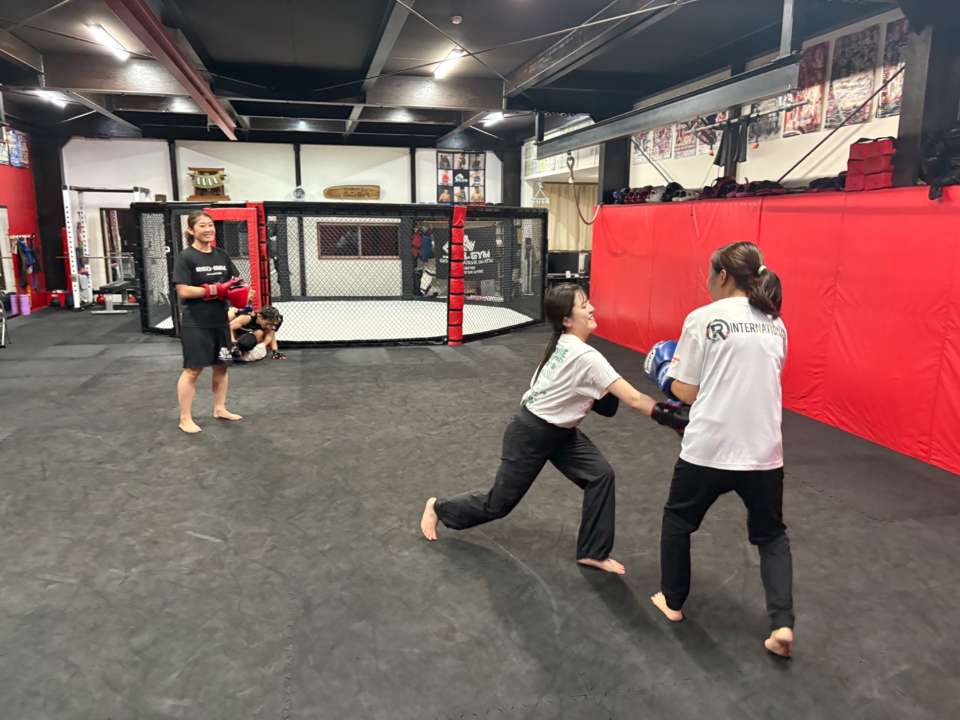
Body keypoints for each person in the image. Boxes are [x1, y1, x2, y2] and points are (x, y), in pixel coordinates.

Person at [420, 283, 688, 573]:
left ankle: (592, 551)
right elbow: (635, 400)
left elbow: (602, 404)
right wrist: (674, 418)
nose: (592, 309)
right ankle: (438, 507)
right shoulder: (585, 356)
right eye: (583, 306)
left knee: (600, 475)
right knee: (498, 505)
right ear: (567, 320)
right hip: (531, 434)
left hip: (561, 433)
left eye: (589, 302)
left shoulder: (563, 342)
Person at [647, 241, 794, 657]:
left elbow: (687, 392)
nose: (708, 281)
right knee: (771, 536)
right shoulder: (775, 323)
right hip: (764, 451)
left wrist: (662, 372)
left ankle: (672, 601)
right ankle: (782, 625)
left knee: (678, 521)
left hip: (709, 447)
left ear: (723, 275)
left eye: (710, 274)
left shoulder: (703, 318)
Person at [172, 211, 247, 433]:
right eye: (202, 226)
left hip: (220, 320)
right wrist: (214, 290)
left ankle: (220, 409)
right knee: (193, 370)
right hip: (196, 322)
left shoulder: (221, 255)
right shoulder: (186, 257)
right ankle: (185, 418)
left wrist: (241, 294)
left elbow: (234, 282)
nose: (208, 229)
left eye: (210, 225)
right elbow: (183, 290)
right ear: (191, 230)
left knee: (222, 366)